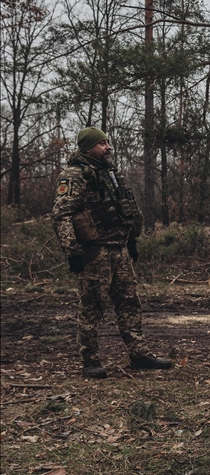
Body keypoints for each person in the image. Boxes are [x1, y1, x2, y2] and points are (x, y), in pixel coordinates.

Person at [52, 127, 172, 379]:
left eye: (107, 142)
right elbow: (62, 215)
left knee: (129, 302)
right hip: (94, 253)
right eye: (102, 143)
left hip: (118, 249)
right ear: (88, 148)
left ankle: (139, 353)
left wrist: (131, 242)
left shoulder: (110, 173)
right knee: (93, 306)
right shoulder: (74, 176)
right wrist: (72, 252)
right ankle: (90, 359)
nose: (108, 147)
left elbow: (122, 210)